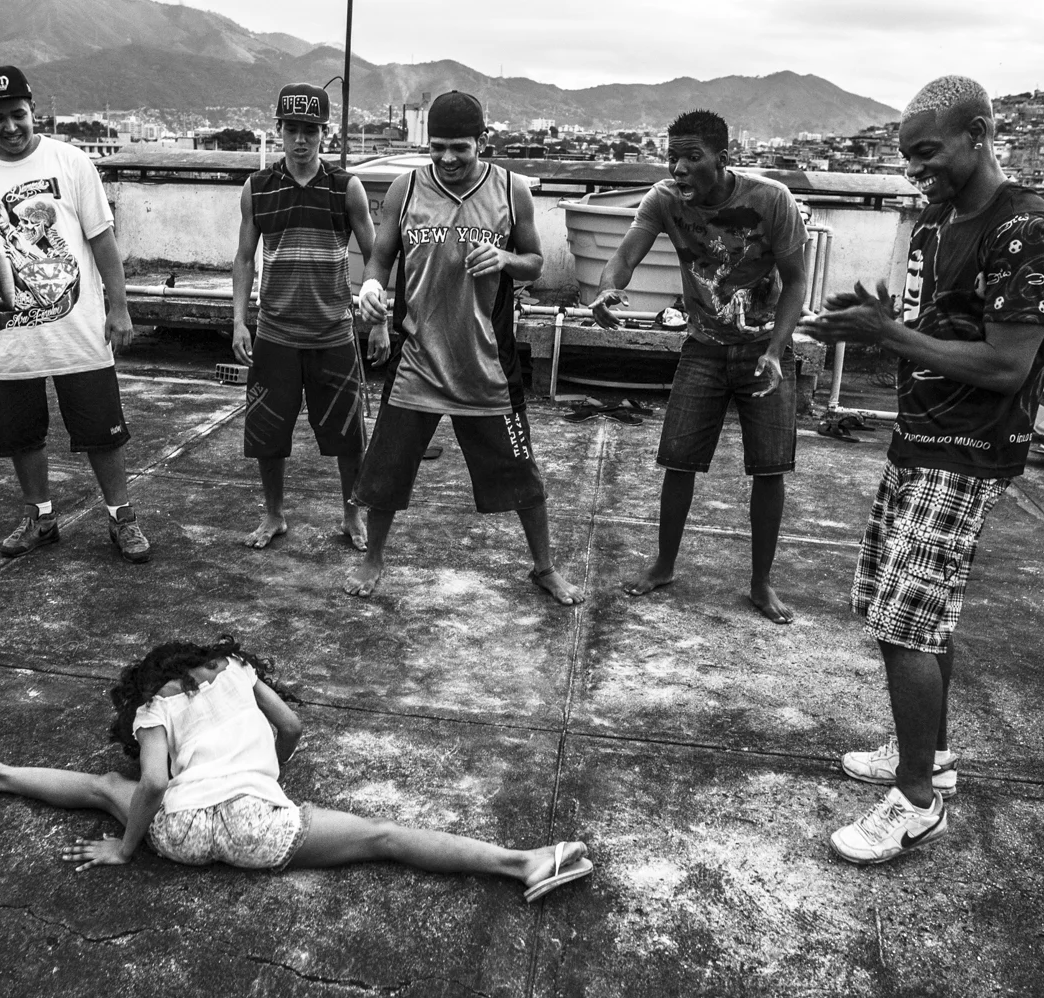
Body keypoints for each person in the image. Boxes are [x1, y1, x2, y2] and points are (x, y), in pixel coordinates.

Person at [801, 76, 1044, 864]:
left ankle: (916, 801)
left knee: (904, 622)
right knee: (910, 614)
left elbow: (1004, 364)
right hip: (921, 439)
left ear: (980, 133)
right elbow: (937, 326)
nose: (917, 171)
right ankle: (932, 755)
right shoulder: (934, 222)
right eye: (908, 158)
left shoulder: (1026, 232)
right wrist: (877, 317)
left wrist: (886, 334)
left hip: (968, 450)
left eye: (929, 154)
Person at [0, 635, 592, 900]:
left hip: (180, 833)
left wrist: (126, 847)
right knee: (384, 839)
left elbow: (151, 783)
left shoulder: (153, 707)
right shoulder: (239, 672)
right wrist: (267, 777)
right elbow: (291, 727)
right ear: (204, 660)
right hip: (261, 828)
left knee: (104, 788)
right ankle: (525, 863)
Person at [348, 91, 583, 605]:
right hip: (419, 362)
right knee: (386, 471)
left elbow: (535, 262)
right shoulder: (405, 190)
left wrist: (503, 259)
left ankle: (543, 567)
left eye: (460, 147)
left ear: (483, 141)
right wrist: (370, 289)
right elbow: (380, 258)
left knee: (522, 473)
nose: (448, 159)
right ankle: (373, 559)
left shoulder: (512, 189)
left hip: (487, 366)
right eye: (437, 148)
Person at [589, 109, 810, 624]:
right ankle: (664, 565)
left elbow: (796, 281)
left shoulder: (770, 199)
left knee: (769, 468)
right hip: (704, 348)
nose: (679, 168)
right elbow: (625, 257)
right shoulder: (663, 199)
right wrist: (607, 289)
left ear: (723, 159)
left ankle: (760, 583)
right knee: (679, 462)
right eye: (673, 157)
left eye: (692, 157)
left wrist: (777, 349)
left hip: (764, 350)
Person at [0, 65, 150, 563]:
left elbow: (102, 241)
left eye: (18, 115)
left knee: (102, 429)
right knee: (20, 433)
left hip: (78, 328)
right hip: (6, 333)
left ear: (34, 112)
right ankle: (40, 516)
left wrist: (119, 308)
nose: (9, 128)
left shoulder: (71, 162)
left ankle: (122, 517)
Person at [231, 84, 388, 551]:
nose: (301, 140)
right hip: (275, 334)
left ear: (325, 133)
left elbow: (375, 254)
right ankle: (275, 515)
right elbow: (244, 259)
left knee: (348, 434)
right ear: (279, 130)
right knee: (268, 433)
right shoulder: (258, 188)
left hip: (333, 333)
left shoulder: (346, 188)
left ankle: (352, 517)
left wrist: (377, 319)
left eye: (311, 131)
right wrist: (239, 320)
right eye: (293, 129)